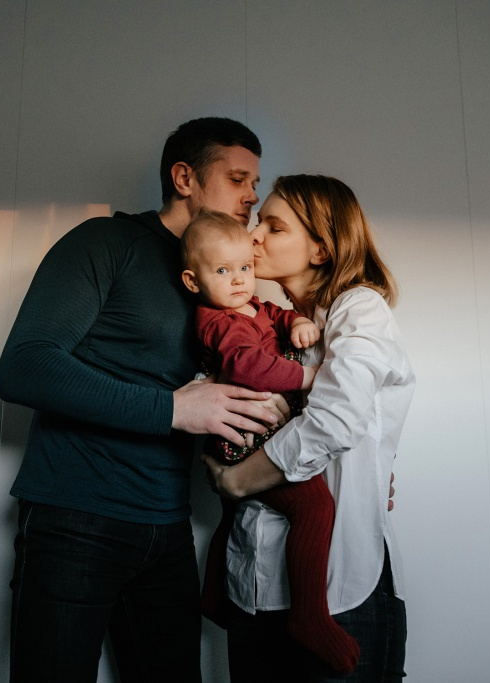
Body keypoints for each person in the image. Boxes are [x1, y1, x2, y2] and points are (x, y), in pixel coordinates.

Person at [0, 117, 286, 683]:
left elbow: (257, 383)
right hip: (76, 518)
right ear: (184, 178)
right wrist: (173, 409)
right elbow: (25, 366)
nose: (252, 195)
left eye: (255, 182)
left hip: (167, 527)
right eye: (237, 179)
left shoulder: (230, 281)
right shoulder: (106, 244)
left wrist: (350, 468)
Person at [203, 175, 415, 682]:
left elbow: (335, 421)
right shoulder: (263, 321)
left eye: (274, 227)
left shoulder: (358, 308)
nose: (253, 235)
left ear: (321, 248)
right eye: (258, 222)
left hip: (342, 592)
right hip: (252, 585)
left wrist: (237, 479)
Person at [179, 209, 360, 674]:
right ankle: (310, 616)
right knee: (313, 505)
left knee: (239, 505)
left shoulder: (253, 306)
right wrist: (307, 376)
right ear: (193, 281)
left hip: (259, 431)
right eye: (223, 271)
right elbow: (248, 366)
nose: (240, 279)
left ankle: (214, 593)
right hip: (245, 437)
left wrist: (297, 323)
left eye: (244, 267)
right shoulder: (218, 322)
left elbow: (277, 316)